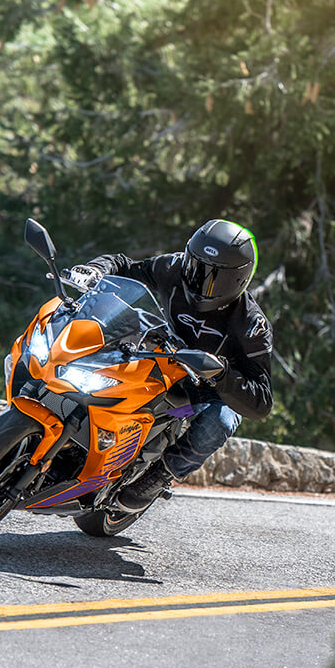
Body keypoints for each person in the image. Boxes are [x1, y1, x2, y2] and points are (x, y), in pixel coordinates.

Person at [67, 219, 273, 513]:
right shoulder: (173, 267)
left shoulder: (252, 324)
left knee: (223, 420)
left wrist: (222, 374)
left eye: (213, 276)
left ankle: (161, 475)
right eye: (195, 267)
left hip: (207, 383)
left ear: (238, 280)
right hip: (160, 354)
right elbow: (127, 266)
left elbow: (262, 399)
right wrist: (96, 269)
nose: (198, 279)